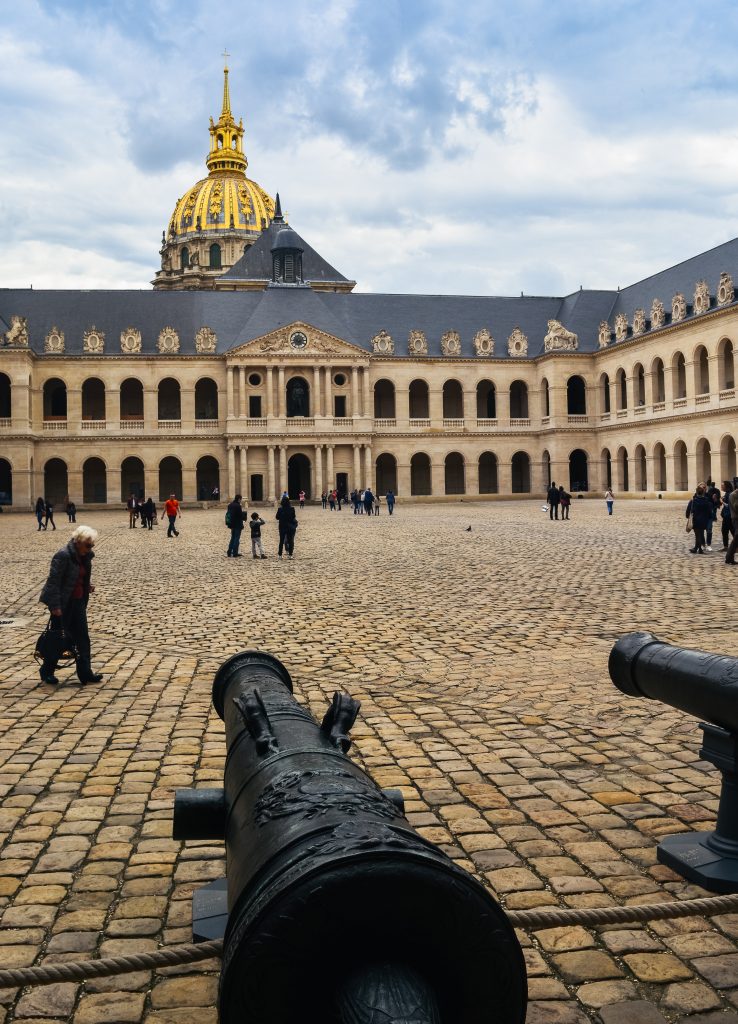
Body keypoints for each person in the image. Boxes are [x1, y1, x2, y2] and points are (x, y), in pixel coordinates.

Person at [38, 524, 103, 686]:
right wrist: (55, 607)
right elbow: (53, 583)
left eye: (91, 546)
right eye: (88, 545)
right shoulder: (63, 555)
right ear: (78, 542)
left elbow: (79, 577)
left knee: (82, 639)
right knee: (57, 639)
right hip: (62, 604)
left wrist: (86, 586)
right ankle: (47, 671)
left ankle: (85, 673)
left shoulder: (85, 556)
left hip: (78, 602)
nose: (89, 549)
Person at [686, 483, 712, 554]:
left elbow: (688, 511)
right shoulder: (707, 501)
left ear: (697, 492)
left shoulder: (693, 501)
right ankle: (697, 548)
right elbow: (710, 512)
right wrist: (708, 518)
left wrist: (688, 517)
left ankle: (698, 549)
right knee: (700, 534)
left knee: (697, 534)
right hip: (704, 520)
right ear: (703, 492)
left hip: (696, 520)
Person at [725, 486, 738, 564]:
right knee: (736, 538)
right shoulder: (733, 495)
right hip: (736, 519)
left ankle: (729, 557)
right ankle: (729, 557)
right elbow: (736, 507)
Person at [721, 481, 734, 551]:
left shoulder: (729, 494)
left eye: (722, 485)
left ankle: (728, 546)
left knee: (728, 531)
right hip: (727, 516)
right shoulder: (727, 493)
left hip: (728, 516)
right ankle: (726, 546)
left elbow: (728, 505)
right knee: (726, 531)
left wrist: (722, 502)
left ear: (726, 486)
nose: (721, 487)